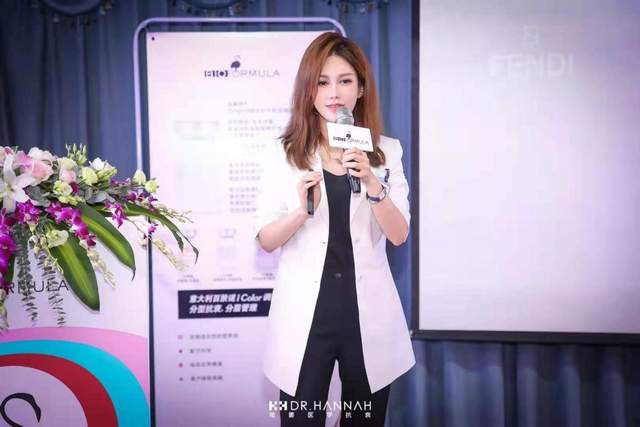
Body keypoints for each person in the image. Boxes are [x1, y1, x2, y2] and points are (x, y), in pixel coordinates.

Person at [254, 31, 414, 426]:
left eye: (345, 81)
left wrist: (373, 183)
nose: (334, 93)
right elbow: (266, 240)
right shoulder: (284, 153)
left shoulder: (386, 152)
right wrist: (301, 213)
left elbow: (399, 235)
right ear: (308, 91)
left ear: (361, 88)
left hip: (367, 315)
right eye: (323, 82)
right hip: (307, 317)